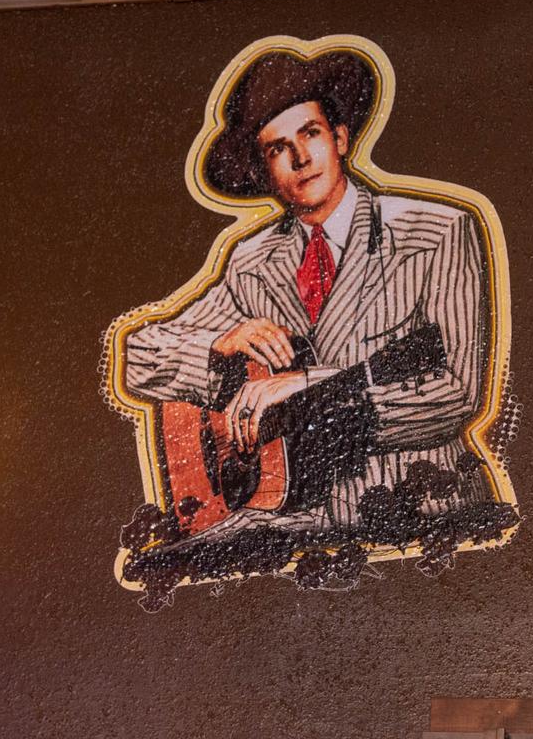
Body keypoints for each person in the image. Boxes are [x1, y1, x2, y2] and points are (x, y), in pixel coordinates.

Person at [125, 49, 488, 533]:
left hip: (418, 509)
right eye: (278, 149)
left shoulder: (434, 232)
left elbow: (458, 392)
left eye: (310, 133)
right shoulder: (253, 263)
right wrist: (218, 345)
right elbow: (136, 359)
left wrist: (318, 389)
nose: (300, 158)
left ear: (340, 139)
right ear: (265, 171)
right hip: (292, 515)